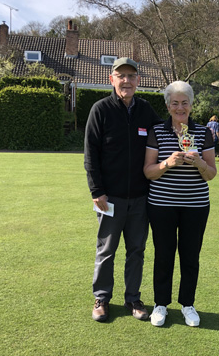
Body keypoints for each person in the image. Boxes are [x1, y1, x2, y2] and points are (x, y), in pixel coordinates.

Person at [84, 57, 161, 322]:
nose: (126, 80)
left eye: (131, 76)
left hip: (141, 198)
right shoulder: (100, 109)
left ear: (138, 80)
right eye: (121, 76)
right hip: (109, 197)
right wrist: (97, 190)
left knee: (136, 251)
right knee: (106, 250)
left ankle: (133, 299)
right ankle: (101, 298)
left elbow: (164, 135)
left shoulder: (146, 111)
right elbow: (90, 154)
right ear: (112, 79)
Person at [143, 81, 217, 327]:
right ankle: (160, 304)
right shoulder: (157, 131)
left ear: (191, 105)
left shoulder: (203, 132)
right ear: (167, 105)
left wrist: (199, 164)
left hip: (195, 205)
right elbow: (148, 171)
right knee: (163, 255)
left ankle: (188, 304)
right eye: (175, 103)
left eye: (184, 102)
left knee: (190, 256)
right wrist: (167, 164)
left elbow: (211, 174)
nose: (180, 107)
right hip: (162, 204)